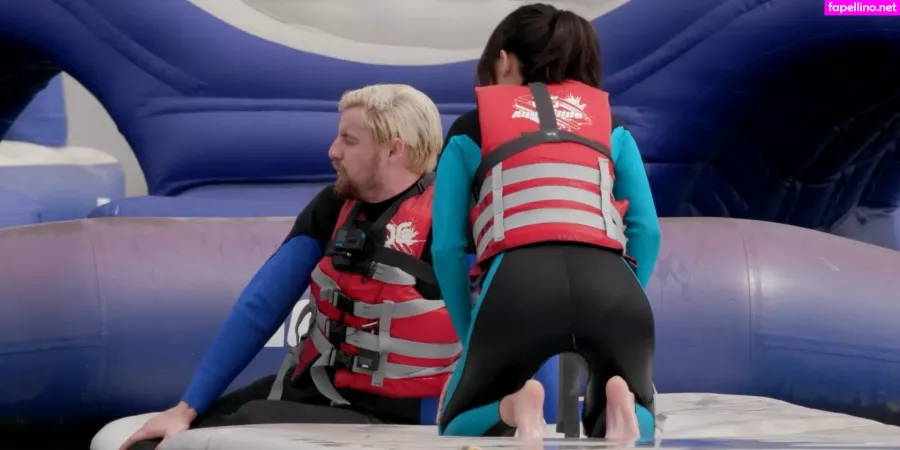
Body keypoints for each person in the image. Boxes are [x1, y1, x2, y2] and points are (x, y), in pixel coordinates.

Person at [119, 84, 461, 450]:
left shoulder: (455, 219)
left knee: (227, 434)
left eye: (349, 140)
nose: (333, 151)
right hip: (315, 390)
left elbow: (501, 320)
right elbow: (262, 304)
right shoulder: (333, 207)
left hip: (395, 418)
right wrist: (186, 408)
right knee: (160, 442)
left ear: (393, 149)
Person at [431, 3, 662, 442]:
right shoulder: (612, 127)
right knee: (640, 413)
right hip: (612, 286)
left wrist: (471, 337)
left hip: (518, 288)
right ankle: (622, 406)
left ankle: (515, 405)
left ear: (504, 61)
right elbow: (647, 231)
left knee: (457, 421)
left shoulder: (468, 129)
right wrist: (626, 294)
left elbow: (445, 249)